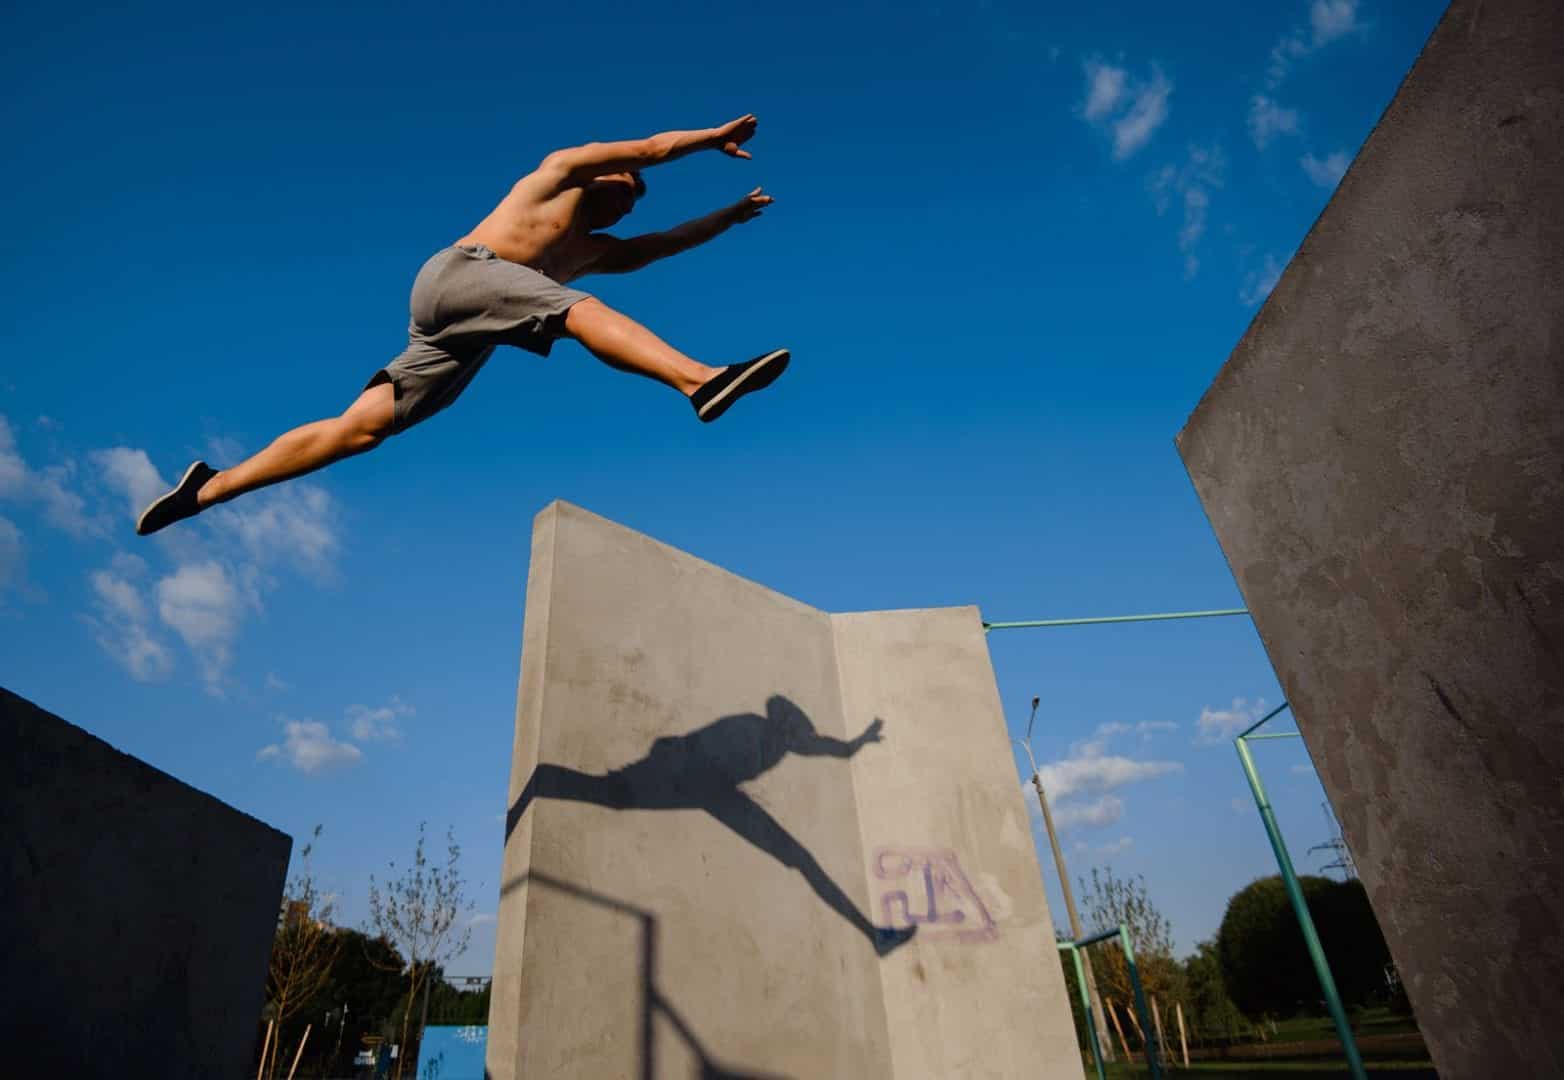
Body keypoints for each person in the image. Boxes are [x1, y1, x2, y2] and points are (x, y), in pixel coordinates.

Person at [136, 113, 788, 536]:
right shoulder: (559, 173)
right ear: (601, 170)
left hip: (467, 325)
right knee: (575, 311)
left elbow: (666, 242)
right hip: (462, 273)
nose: (630, 193)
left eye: (634, 197)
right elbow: (648, 148)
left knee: (360, 430)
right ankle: (699, 380)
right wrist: (709, 141)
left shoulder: (597, 251)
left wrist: (730, 217)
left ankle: (209, 488)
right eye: (626, 182)